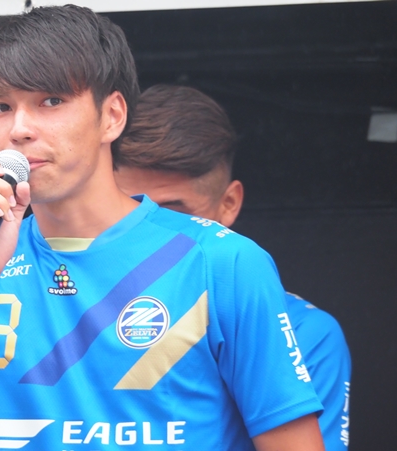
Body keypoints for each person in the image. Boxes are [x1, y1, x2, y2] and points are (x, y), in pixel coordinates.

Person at [0, 5, 325, 451]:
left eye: (51, 101)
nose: (19, 129)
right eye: (1, 106)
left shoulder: (222, 261)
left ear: (111, 116)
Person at [114, 84, 352, 449]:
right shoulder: (52, 308)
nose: (149, 233)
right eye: (127, 210)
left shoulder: (305, 332)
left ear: (228, 204)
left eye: (174, 214)